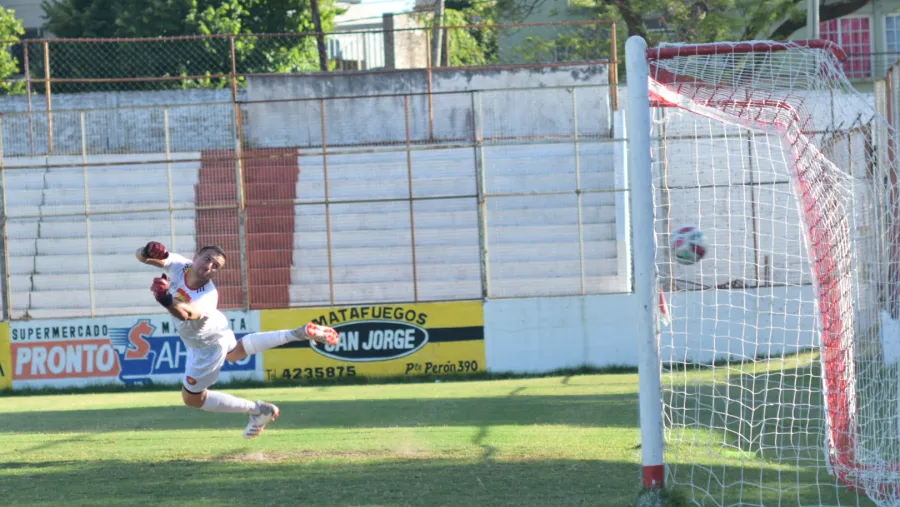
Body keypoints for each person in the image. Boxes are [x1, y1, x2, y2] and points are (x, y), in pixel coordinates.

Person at [135, 240, 339, 439]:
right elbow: (143, 257)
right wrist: (148, 250)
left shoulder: (208, 295)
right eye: (207, 259)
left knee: (193, 399)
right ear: (196, 257)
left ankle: (257, 410)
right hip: (217, 325)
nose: (209, 266)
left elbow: (187, 314)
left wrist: (166, 299)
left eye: (215, 267)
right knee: (235, 353)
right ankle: (295, 333)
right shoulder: (181, 265)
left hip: (206, 344)